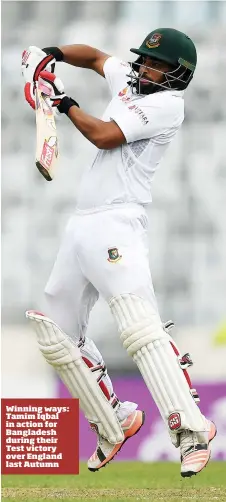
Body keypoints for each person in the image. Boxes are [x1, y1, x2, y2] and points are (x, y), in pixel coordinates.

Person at [22, 28, 216, 477]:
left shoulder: (168, 106)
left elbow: (104, 136)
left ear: (176, 74)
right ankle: (115, 421)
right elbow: (92, 56)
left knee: (138, 328)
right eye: (144, 61)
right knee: (58, 334)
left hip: (119, 222)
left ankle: (192, 431)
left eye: (154, 65)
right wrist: (52, 55)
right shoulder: (132, 80)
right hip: (82, 224)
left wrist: (63, 99)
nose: (143, 68)